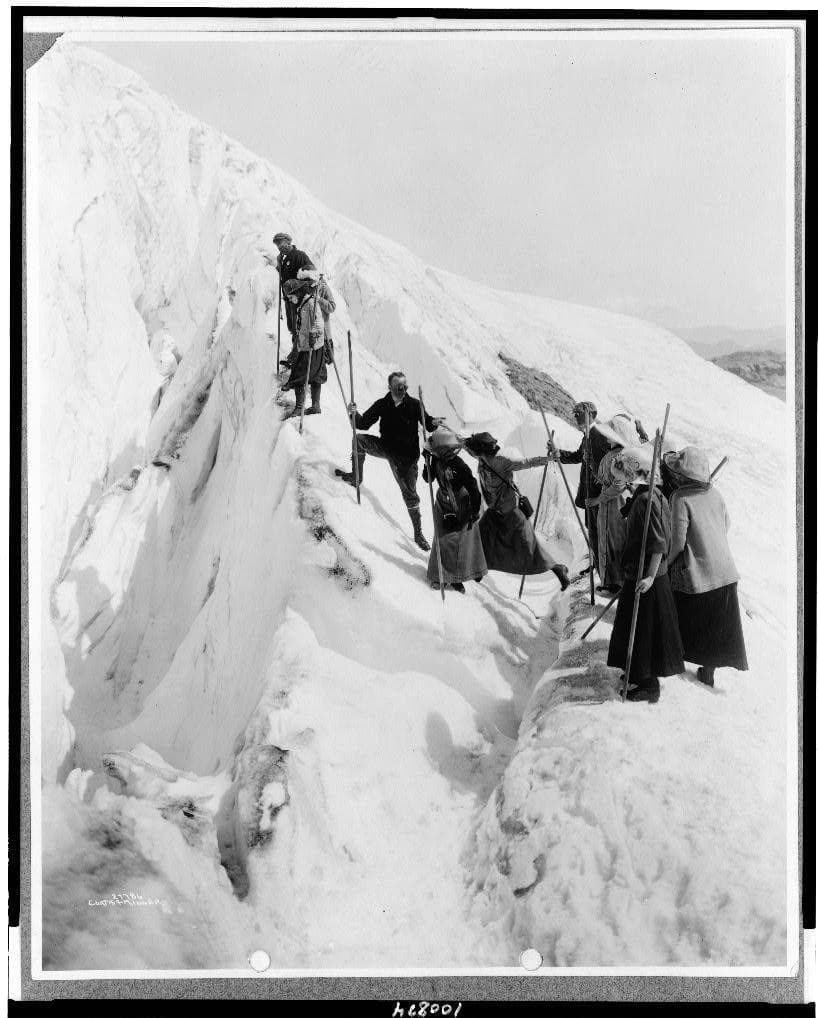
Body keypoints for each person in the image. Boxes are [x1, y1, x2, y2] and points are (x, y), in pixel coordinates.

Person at [606, 445, 685, 703]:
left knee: (643, 631)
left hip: (646, 577)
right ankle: (636, 673)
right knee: (634, 626)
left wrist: (650, 577)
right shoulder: (648, 494)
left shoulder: (646, 500)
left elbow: (659, 543)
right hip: (639, 574)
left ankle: (649, 685)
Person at [664, 446, 748, 687]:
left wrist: (667, 563)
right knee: (714, 624)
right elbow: (726, 524)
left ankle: (673, 660)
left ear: (682, 476)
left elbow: (678, 542)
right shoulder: (716, 494)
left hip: (701, 572)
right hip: (726, 571)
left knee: (679, 608)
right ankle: (708, 671)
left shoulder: (680, 498)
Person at [334, 372, 443, 551]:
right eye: (399, 387)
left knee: (410, 495)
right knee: (359, 440)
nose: (403, 390)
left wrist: (434, 421)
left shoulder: (415, 405)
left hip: (406, 459)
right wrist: (353, 414)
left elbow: (428, 424)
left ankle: (418, 533)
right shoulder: (382, 404)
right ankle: (356, 477)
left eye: (405, 387)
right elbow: (362, 424)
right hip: (386, 448)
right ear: (390, 388)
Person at [462, 432, 570, 591]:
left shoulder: (501, 462)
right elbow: (466, 446)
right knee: (481, 535)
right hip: (494, 512)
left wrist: (548, 459)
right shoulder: (481, 458)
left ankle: (558, 569)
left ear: (481, 451)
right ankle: (478, 570)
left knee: (530, 548)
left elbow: (526, 463)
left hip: (511, 512)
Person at [554, 401, 618, 573]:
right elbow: (578, 456)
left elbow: (607, 466)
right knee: (593, 529)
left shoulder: (599, 435)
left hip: (597, 493)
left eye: (580, 413)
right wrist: (559, 454)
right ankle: (597, 565)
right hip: (590, 492)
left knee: (599, 531)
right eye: (575, 414)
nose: (576, 417)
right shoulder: (588, 435)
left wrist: (601, 487)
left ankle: (603, 569)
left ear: (592, 415)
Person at [585, 413, 644, 593]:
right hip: (623, 503)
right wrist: (591, 467)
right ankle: (619, 580)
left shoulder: (614, 457)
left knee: (610, 540)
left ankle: (614, 581)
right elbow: (614, 482)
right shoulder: (629, 455)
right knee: (619, 540)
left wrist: (597, 500)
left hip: (611, 506)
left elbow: (616, 486)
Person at [422, 430, 487, 593]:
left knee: (455, 542)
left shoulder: (459, 466)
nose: (433, 450)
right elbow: (427, 479)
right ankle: (441, 577)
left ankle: (454, 578)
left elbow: (474, 489)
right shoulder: (436, 459)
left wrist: (474, 511)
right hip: (442, 502)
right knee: (441, 537)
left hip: (459, 504)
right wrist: (426, 460)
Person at [279, 278, 327, 417]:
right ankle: (314, 406)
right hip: (306, 345)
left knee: (301, 375)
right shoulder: (303, 304)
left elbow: (319, 323)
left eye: (291, 296)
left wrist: (314, 335)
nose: (290, 299)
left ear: (298, 293)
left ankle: (302, 407)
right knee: (312, 375)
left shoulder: (310, 304)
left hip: (312, 347)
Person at [272, 232, 316, 366]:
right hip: (289, 298)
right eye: (277, 244)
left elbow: (311, 273)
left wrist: (299, 286)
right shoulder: (284, 260)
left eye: (281, 243)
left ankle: (297, 358)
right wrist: (279, 266)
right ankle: (294, 355)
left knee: (298, 326)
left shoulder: (299, 255)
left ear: (288, 241)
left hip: (299, 298)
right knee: (292, 326)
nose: (279, 246)